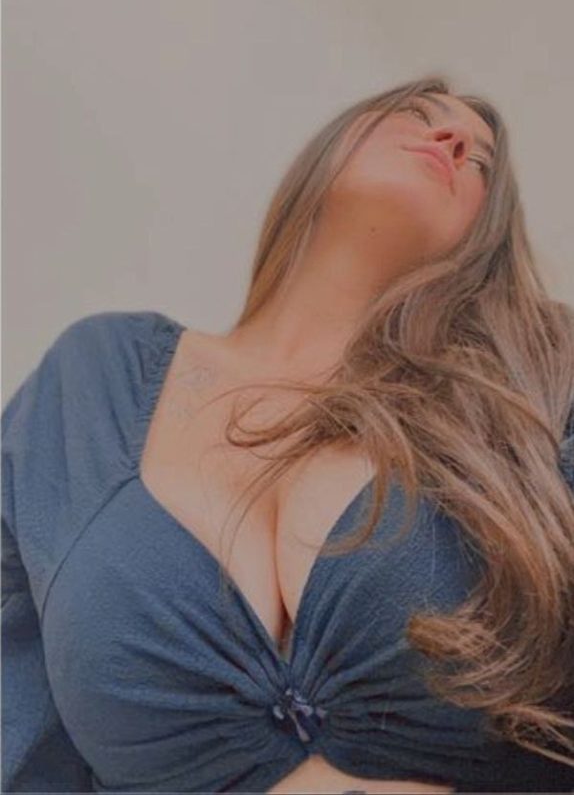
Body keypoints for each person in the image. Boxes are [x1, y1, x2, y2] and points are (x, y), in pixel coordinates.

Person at [2, 75, 574, 794]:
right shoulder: (93, 379)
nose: (454, 139)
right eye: (417, 112)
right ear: (327, 149)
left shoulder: (536, 383)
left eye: (482, 161)